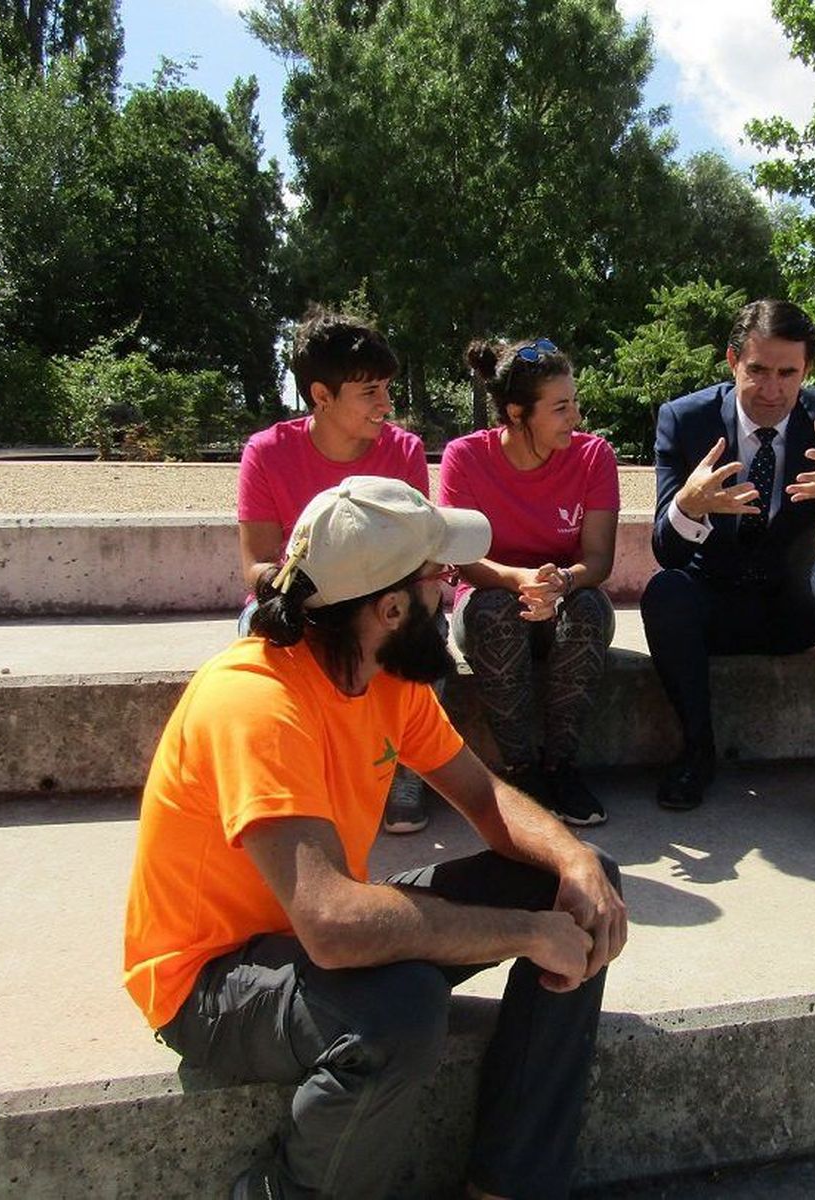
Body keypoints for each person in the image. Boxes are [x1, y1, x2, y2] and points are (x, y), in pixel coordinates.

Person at [124, 476, 627, 1199]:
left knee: (581, 881)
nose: (452, 590)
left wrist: (573, 859)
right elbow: (332, 927)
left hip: (315, 936)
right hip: (207, 982)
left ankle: (511, 1184)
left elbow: (487, 801)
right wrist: (525, 931)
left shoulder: (386, 675)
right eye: (440, 578)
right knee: (397, 1011)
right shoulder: (255, 702)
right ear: (391, 607)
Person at [641, 299, 815, 848]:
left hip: (793, 607)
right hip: (714, 607)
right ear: (733, 362)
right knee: (665, 591)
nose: (772, 389)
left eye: (788, 373)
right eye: (757, 370)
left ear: (807, 372)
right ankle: (697, 751)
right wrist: (689, 503)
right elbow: (667, 552)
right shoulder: (686, 420)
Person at [236, 307, 434, 834]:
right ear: (321, 396)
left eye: (387, 388)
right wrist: (312, 596)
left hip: (386, 598)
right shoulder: (266, 453)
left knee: (412, 623)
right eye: (369, 392)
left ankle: (402, 764)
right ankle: (288, 781)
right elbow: (257, 566)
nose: (387, 405)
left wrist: (417, 610)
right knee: (256, 634)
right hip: (300, 598)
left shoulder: (405, 452)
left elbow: (423, 562)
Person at [439, 337, 620, 827]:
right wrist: (521, 580)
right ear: (518, 413)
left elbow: (598, 561)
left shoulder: (594, 456)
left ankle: (561, 766)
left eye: (574, 402)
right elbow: (464, 560)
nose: (576, 417)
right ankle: (520, 771)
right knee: (494, 610)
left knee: (587, 611)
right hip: (491, 597)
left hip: (566, 597)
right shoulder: (465, 457)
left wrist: (561, 581)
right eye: (561, 408)